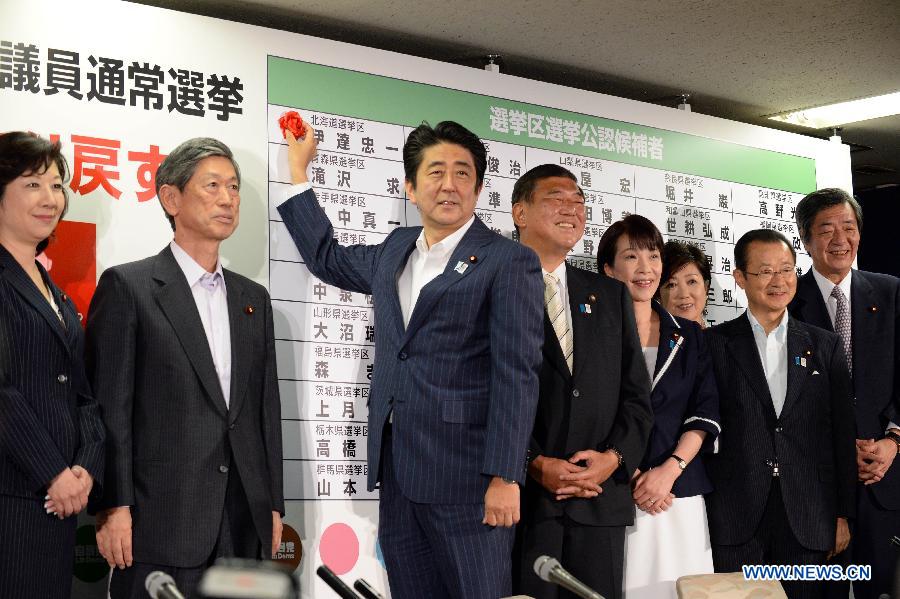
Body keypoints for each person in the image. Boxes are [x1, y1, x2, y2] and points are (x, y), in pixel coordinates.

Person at [278, 121, 543, 599]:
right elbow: (327, 258)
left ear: (479, 188)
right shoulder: (395, 249)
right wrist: (299, 171)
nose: (449, 184)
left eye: (463, 174)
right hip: (401, 472)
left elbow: (517, 374)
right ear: (410, 187)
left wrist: (506, 476)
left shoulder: (507, 261)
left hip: (471, 480)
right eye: (435, 171)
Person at [86, 138, 284, 599]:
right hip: (162, 522)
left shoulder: (253, 300)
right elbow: (110, 409)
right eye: (211, 185)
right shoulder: (129, 286)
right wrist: (114, 505)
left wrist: (272, 504)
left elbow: (264, 412)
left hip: (243, 522)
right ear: (171, 198)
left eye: (233, 188)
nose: (227, 199)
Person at [510, 165, 652, 599]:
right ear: (520, 212)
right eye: (556, 198)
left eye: (579, 202)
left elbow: (636, 399)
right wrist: (534, 463)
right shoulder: (494, 285)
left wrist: (613, 458)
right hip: (525, 505)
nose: (572, 209)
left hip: (599, 502)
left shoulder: (609, 295)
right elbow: (480, 396)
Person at [704, 229, 856, 599]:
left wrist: (842, 514)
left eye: (787, 270)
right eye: (765, 271)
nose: (779, 281)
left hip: (808, 514)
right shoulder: (714, 344)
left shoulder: (824, 345)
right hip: (737, 514)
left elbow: (840, 435)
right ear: (740, 278)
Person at [0, 132, 105, 598]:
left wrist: (85, 466)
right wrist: (53, 472)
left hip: (59, 505)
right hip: (13, 499)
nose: (50, 198)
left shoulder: (56, 293)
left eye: (57, 185)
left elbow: (82, 392)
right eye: (32, 184)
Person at [596, 215, 720, 599]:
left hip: (679, 493)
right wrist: (633, 474)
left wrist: (669, 471)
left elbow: (706, 413)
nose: (645, 268)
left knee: (687, 588)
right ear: (609, 270)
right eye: (632, 257)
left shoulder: (689, 337)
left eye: (653, 255)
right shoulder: (593, 334)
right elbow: (592, 414)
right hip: (617, 489)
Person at [788, 188, 900, 599]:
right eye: (827, 229)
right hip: (816, 489)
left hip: (882, 482)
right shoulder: (787, 301)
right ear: (805, 238)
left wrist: (893, 441)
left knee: (884, 590)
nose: (840, 239)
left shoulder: (891, 293)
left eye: (849, 228)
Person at [659, 240, 712, 328]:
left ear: (706, 288)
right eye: (672, 284)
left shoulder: (725, 340)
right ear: (658, 296)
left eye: (692, 282)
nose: (684, 294)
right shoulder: (647, 340)